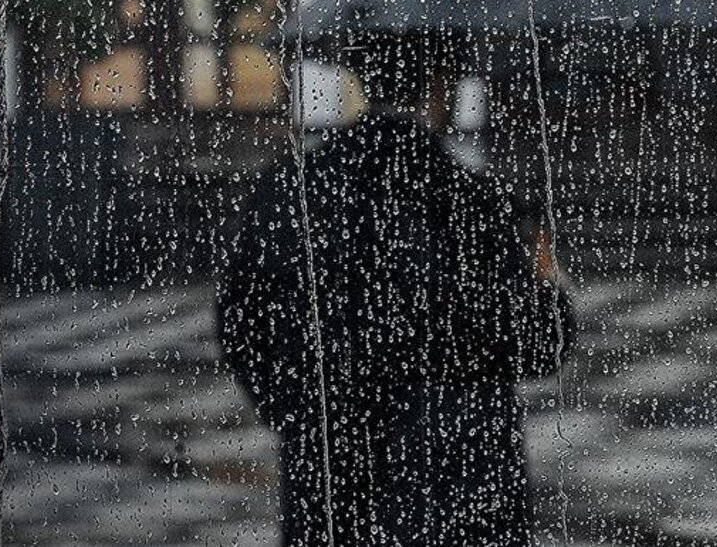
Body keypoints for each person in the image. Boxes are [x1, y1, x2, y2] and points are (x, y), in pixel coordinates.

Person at [217, 70, 571, 546]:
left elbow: (241, 325)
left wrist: (302, 420)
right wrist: (545, 275)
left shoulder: (288, 192)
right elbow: (542, 345)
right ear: (441, 86)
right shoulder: (478, 202)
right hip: (466, 486)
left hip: (332, 480)